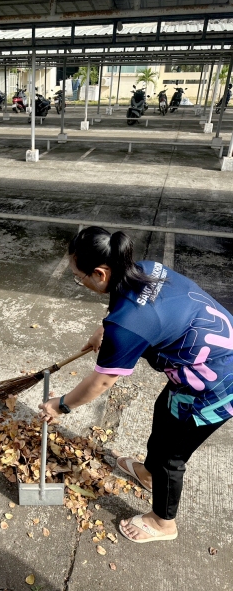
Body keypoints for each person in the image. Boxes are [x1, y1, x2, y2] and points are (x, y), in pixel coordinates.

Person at [39, 226, 233, 543]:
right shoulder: (145, 269)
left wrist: (61, 405)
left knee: (172, 455)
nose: (79, 282)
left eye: (78, 277)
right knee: (164, 413)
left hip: (217, 384)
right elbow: (133, 306)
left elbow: (102, 381)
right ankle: (148, 474)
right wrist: (105, 329)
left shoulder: (126, 327)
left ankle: (163, 523)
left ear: (100, 273)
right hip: (208, 361)